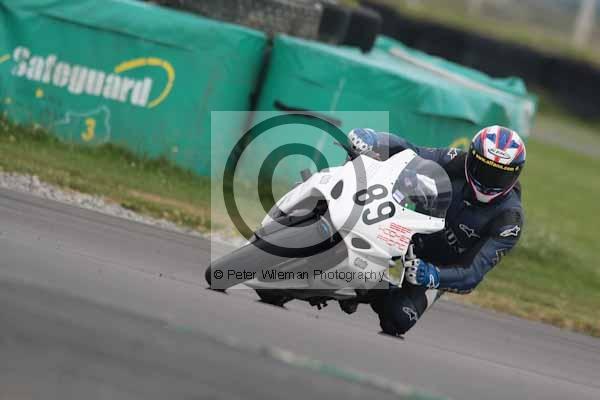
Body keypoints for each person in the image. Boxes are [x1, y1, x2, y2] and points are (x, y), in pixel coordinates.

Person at [347, 126, 526, 336]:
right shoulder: (457, 161)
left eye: (499, 175)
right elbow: (411, 151)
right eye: (483, 169)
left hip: (439, 265)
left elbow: (472, 274)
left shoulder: (509, 221)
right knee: (407, 178)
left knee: (397, 319)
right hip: (412, 230)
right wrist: (375, 139)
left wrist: (433, 275)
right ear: (471, 159)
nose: (488, 181)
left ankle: (369, 286)